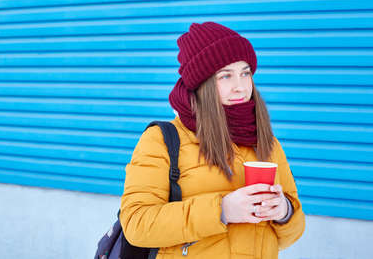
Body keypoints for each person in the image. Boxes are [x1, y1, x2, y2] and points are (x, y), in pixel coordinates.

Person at [120, 22, 305, 258]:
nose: (240, 87)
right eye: (225, 76)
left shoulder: (266, 143)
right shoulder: (162, 140)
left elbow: (293, 232)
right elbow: (137, 224)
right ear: (202, 84)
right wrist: (221, 210)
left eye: (245, 73)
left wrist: (284, 212)